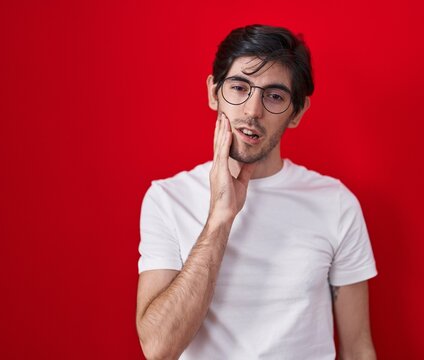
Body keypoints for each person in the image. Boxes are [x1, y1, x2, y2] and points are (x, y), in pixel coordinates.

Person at [136, 24, 377, 360]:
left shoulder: (335, 203)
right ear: (213, 92)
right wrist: (220, 217)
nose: (252, 111)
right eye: (239, 87)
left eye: (274, 96)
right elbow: (159, 347)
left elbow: (358, 348)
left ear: (297, 113)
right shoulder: (166, 199)